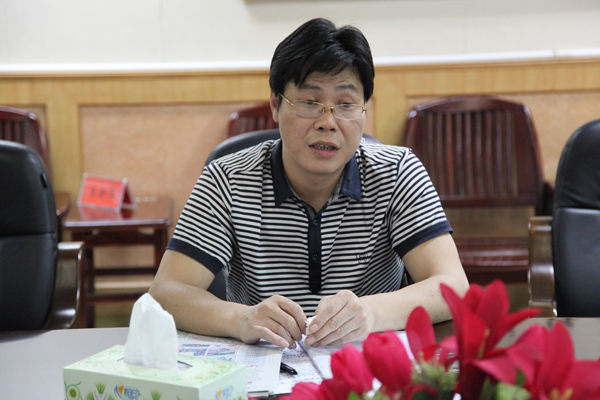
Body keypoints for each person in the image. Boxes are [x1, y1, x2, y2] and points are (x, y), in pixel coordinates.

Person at [149, 18, 469, 350]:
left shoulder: (398, 172)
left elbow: (453, 286)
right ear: (276, 105)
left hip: (371, 364)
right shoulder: (227, 180)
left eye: (345, 105)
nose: (327, 122)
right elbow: (166, 293)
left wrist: (371, 312)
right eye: (309, 102)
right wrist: (240, 319)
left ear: (363, 109)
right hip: (266, 363)